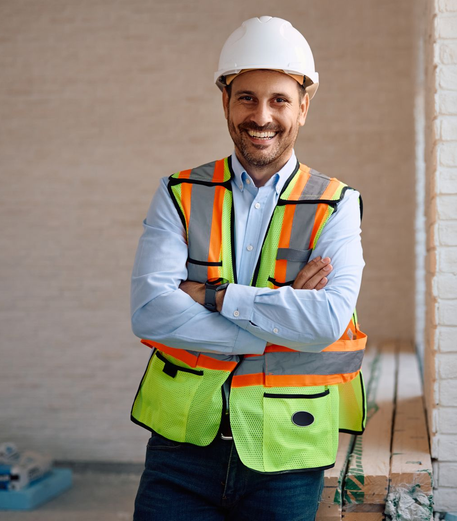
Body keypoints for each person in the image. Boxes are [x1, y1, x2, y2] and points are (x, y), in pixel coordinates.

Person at [130, 16, 367, 521]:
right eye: (246, 98)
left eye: (279, 99)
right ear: (225, 102)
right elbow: (151, 313)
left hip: (286, 452)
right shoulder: (180, 192)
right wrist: (282, 323)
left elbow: (326, 322)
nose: (261, 115)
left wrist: (213, 295)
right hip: (181, 454)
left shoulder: (336, 203)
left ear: (303, 107)